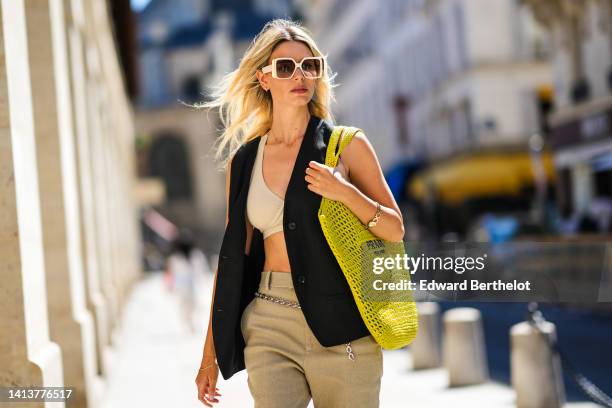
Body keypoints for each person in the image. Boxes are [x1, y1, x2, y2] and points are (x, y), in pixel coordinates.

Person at [195, 18, 405, 407]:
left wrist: (344, 192)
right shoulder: (244, 161)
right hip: (269, 322)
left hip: (342, 325)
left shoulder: (347, 146)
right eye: (286, 67)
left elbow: (394, 229)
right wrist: (209, 356)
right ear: (263, 78)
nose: (300, 75)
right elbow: (230, 262)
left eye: (310, 66)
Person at [167, 228, 207, 334]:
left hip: (192, 286)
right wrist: (170, 284)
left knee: (193, 305)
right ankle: (188, 324)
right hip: (181, 287)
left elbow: (201, 268)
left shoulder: (196, 255)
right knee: (184, 307)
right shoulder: (175, 257)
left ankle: (191, 323)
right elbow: (171, 272)